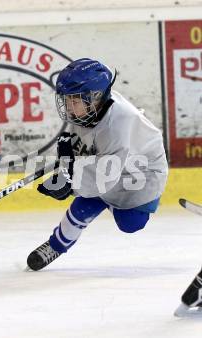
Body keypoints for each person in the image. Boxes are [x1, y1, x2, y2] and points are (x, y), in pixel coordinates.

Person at [27, 58, 168, 271]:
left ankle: (104, 200)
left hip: (142, 171)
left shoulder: (119, 121)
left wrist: (70, 183)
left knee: (130, 224)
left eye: (74, 100)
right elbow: (86, 149)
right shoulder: (89, 110)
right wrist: (68, 159)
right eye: (66, 100)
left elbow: (106, 174)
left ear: (94, 97)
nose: (68, 107)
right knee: (86, 202)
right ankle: (56, 245)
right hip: (111, 165)